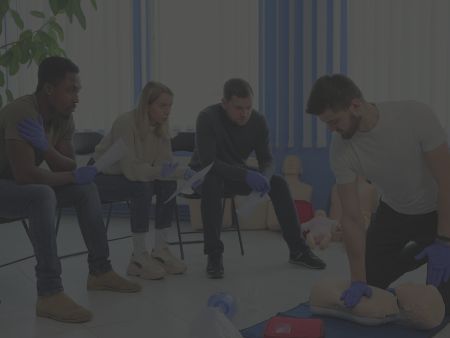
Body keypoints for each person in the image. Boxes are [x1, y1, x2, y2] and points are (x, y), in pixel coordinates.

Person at [0, 56, 141, 323]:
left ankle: (100, 271)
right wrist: (66, 169)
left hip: (18, 188)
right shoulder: (23, 112)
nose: (77, 97)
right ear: (49, 89)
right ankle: (50, 293)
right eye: (71, 90)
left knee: (85, 188)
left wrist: (45, 147)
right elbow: (26, 175)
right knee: (42, 193)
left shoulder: (63, 117)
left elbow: (68, 165)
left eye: (78, 90)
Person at [306, 74, 450, 314]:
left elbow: (446, 182)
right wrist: (358, 279)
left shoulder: (415, 116)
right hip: (393, 211)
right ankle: (420, 251)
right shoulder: (341, 150)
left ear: (355, 105)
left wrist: (445, 241)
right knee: (370, 282)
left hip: (438, 210)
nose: (331, 130)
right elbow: (351, 218)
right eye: (326, 124)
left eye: (334, 121)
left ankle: (432, 246)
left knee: (439, 302)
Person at [189, 78, 326, 279]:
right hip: (203, 174)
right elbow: (210, 163)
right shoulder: (207, 117)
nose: (244, 113)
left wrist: (265, 176)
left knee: (278, 183)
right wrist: (246, 174)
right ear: (224, 103)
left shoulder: (258, 121)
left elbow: (267, 160)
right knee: (212, 182)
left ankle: (298, 250)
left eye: (248, 107)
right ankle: (214, 255)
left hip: (234, 172)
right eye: (238, 108)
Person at [94, 81, 197, 280]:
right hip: (103, 177)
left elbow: (164, 165)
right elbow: (132, 170)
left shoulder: (160, 127)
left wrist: (183, 172)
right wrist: (168, 171)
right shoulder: (126, 123)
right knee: (141, 186)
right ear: (147, 105)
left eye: (170, 106)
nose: (167, 111)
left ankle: (160, 250)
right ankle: (138, 257)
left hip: (133, 176)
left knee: (167, 184)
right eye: (162, 105)